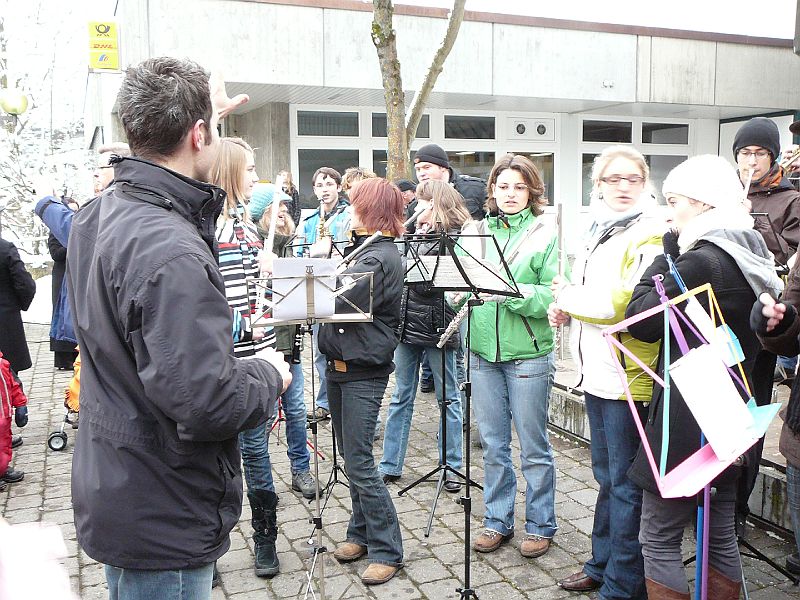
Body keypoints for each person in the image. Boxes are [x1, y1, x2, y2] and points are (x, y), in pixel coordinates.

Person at [66, 57, 291, 600]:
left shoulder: (99, 214)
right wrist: (269, 374)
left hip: (124, 481)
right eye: (210, 129)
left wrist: (203, 118)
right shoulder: (171, 252)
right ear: (198, 135)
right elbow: (207, 402)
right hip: (163, 505)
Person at [624, 155, 782, 599]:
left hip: (686, 419)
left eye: (675, 201)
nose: (669, 212)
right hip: (732, 415)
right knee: (719, 531)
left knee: (658, 534)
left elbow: (641, 320)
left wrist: (665, 255)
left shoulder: (698, 261)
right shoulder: (750, 250)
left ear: (702, 203)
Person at [548, 146, 663, 598]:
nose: (623, 187)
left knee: (625, 486)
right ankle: (600, 565)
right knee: (606, 479)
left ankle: (623, 584)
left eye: (632, 179)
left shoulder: (651, 231)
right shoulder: (597, 227)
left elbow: (622, 304)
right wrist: (567, 308)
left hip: (627, 377)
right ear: (597, 185)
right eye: (613, 179)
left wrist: (568, 297)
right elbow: (588, 295)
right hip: (595, 372)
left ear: (645, 183)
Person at [458, 154, 559, 558]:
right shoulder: (476, 232)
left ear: (532, 192)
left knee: (533, 446)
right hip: (483, 352)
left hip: (528, 353)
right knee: (493, 444)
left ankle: (540, 524)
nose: (511, 194)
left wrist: (511, 293)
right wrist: (455, 293)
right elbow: (456, 286)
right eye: (503, 187)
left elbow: (553, 294)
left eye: (520, 187)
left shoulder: (545, 233)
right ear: (492, 191)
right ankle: (497, 520)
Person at [317, 178, 405, 586]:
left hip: (363, 371)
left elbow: (338, 300)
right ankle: (360, 533)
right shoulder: (363, 249)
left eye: (355, 205)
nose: (348, 211)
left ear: (372, 211)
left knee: (360, 462)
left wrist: (313, 276)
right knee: (350, 456)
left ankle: (388, 549)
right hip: (339, 366)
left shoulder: (380, 257)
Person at [209, 137, 282, 578]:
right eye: (250, 169)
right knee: (217, 459)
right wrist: (241, 324)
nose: (256, 177)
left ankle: (265, 538)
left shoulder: (247, 227)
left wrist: (269, 273)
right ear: (229, 172)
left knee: (256, 453)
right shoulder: (206, 229)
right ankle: (210, 548)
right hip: (221, 360)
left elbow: (260, 293)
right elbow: (201, 301)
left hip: (257, 358)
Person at [379, 179, 467, 492]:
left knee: (448, 398)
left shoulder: (454, 238)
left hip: (437, 326)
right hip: (406, 326)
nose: (416, 207)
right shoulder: (413, 234)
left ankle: (452, 465)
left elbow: (428, 283)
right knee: (401, 395)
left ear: (437, 204)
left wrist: (405, 261)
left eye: (423, 202)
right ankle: (390, 463)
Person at [733, 117, 800, 524]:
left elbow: (790, 263)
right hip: (724, 320)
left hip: (764, 326)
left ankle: (738, 506)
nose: (752, 161)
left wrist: (752, 226)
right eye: (745, 153)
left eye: (760, 153)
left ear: (773, 157)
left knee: (750, 412)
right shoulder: (727, 193)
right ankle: (712, 501)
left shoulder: (790, 201)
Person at [249, 182, 317, 500]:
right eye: (276, 209)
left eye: (286, 209)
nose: (283, 213)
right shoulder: (253, 248)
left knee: (297, 411)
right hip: (262, 346)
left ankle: (300, 469)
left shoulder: (291, 245)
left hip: (290, 343)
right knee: (260, 416)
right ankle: (259, 478)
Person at [299, 167, 351, 421]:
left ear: (339, 187)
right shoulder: (310, 221)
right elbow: (299, 254)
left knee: (344, 350)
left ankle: (347, 406)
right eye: (319, 185)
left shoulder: (348, 215)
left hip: (343, 289)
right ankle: (325, 403)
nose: (325, 189)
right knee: (321, 350)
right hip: (317, 290)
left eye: (329, 184)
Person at [413, 143, 487, 221]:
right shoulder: (416, 203)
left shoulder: (476, 189)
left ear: (443, 167)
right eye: (418, 169)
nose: (421, 174)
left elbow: (493, 222)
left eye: (427, 167)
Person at [0, 236, 35, 376]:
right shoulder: (5, 248)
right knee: (9, 376)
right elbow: (25, 284)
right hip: (5, 321)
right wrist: (17, 305)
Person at [0, 351, 27, 487]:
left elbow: (13, 385)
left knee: (4, 443)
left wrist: (21, 404)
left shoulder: (3, 364)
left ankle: (2, 469)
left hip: (4, 416)